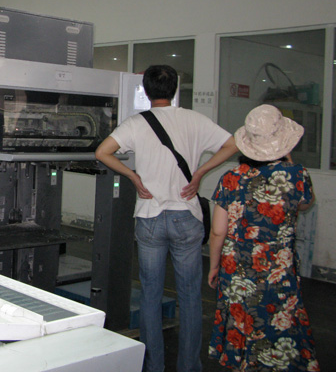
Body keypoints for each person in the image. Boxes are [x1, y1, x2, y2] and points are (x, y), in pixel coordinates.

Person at [95, 65, 238, 372]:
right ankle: (189, 366)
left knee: (150, 296)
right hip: (187, 216)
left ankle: (153, 365)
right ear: (174, 90)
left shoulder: (136, 123)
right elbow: (233, 143)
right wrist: (200, 172)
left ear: (146, 91)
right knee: (190, 296)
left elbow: (102, 152)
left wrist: (133, 176)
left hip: (150, 216)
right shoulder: (195, 120)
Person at [207, 104, 319, 371]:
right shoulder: (297, 175)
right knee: (280, 321)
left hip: (236, 267)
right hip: (279, 268)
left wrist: (214, 265)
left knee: (241, 322)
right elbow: (305, 203)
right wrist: (288, 162)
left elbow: (218, 231)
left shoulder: (231, 178)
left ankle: (244, 363)